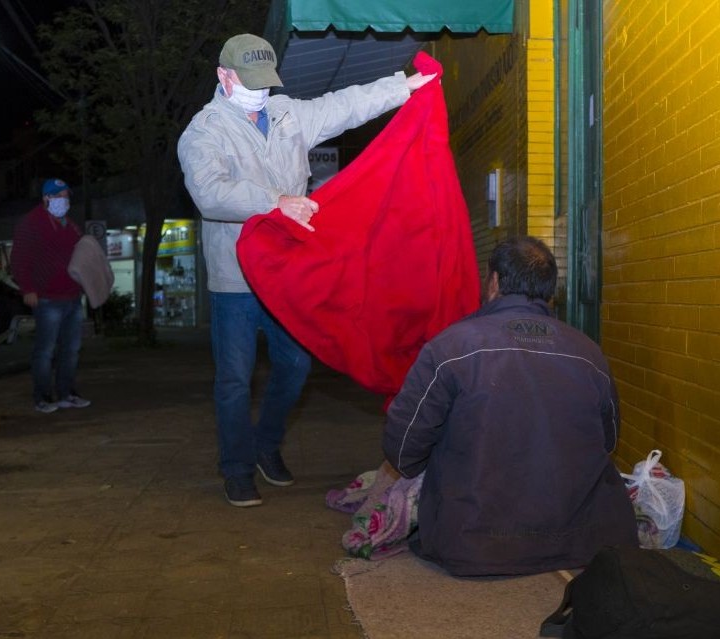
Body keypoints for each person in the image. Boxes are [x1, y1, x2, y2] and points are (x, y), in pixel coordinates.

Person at [177, 33, 435, 508]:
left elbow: (344, 105)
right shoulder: (203, 131)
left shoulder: (288, 114)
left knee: (295, 365)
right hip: (235, 278)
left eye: (265, 84)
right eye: (249, 83)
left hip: (287, 274)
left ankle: (266, 445)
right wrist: (276, 203)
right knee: (234, 378)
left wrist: (404, 88)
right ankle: (236, 468)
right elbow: (209, 193)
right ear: (224, 76)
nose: (259, 93)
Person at [383, 236, 638, 576]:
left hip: (473, 544)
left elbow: (402, 452)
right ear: (550, 291)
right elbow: (608, 442)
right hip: (583, 542)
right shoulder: (589, 352)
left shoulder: (449, 348)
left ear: (495, 282)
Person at [11, 178, 91, 414]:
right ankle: (43, 397)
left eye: (66, 196)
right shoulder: (30, 223)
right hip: (46, 298)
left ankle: (67, 393)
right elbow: (20, 259)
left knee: (71, 349)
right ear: (46, 198)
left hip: (72, 296)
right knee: (45, 351)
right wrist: (28, 289)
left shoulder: (70, 225)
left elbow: (81, 255)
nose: (64, 200)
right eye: (59, 196)